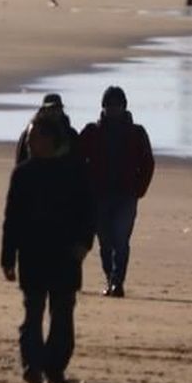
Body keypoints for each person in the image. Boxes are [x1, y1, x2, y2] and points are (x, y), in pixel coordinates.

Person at [2, 114, 95, 383]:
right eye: (29, 138)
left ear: (51, 140)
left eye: (35, 138)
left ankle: (55, 368)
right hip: (32, 256)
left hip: (66, 256)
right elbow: (12, 219)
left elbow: (88, 213)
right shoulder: (23, 174)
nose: (29, 143)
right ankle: (32, 365)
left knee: (62, 316)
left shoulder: (74, 171)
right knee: (32, 314)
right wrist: (7, 257)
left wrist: (84, 244)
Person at [78, 86, 154, 298]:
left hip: (126, 196)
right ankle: (110, 277)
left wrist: (139, 189)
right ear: (103, 107)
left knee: (121, 240)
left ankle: (117, 282)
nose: (113, 109)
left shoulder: (137, 133)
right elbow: (76, 159)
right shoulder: (92, 132)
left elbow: (148, 163)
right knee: (105, 241)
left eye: (116, 105)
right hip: (98, 196)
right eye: (109, 105)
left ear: (124, 107)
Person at [14, 93, 78, 164]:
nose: (54, 112)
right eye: (50, 109)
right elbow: (20, 160)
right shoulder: (31, 134)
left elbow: (77, 160)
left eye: (57, 108)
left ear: (61, 110)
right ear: (43, 110)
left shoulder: (70, 134)